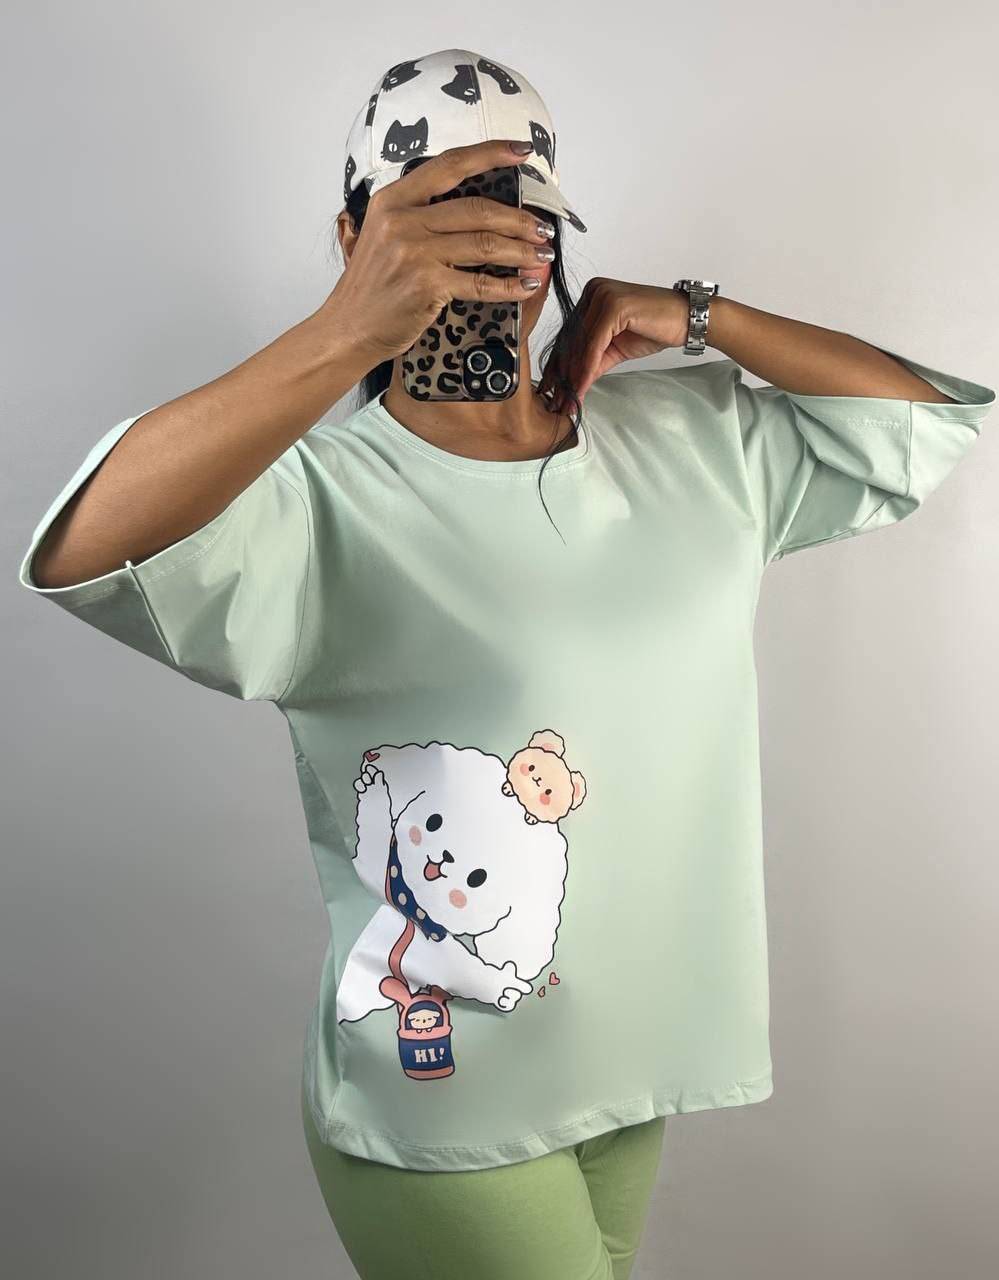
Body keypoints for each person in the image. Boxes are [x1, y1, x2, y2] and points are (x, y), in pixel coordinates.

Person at [17, 46, 995, 1280]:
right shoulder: (317, 499)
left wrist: (703, 317)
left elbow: (922, 426)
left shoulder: (685, 434)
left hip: (626, 1066)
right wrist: (342, 332)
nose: (480, 252)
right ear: (357, 236)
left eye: (515, 217)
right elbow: (83, 550)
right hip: (447, 1090)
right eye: (434, 215)